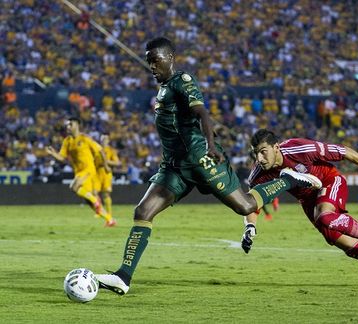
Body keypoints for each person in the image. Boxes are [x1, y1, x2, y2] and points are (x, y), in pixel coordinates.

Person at [95, 37, 322, 295]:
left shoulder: (183, 81)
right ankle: (123, 277)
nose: (151, 66)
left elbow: (202, 113)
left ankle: (289, 179)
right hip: (174, 165)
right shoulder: (164, 88)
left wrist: (211, 146)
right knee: (143, 212)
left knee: (245, 206)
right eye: (149, 61)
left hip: (201, 159)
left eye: (155, 60)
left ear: (170, 58)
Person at [241, 129, 358, 289]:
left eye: (263, 152)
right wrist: (250, 227)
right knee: (353, 250)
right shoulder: (258, 174)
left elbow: (343, 151)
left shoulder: (300, 148)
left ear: (276, 147)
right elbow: (252, 202)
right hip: (308, 201)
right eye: (255, 154)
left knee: (325, 217)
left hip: (330, 181)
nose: (259, 158)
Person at [46, 117, 117, 227]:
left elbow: (100, 150)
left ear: (77, 125)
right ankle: (109, 219)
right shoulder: (67, 141)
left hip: (89, 169)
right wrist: (53, 153)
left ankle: (96, 200)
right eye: (67, 125)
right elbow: (61, 157)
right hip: (78, 172)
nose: (68, 127)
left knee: (74, 187)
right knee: (89, 201)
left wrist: (106, 166)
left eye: (71, 124)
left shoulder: (85, 138)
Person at [96, 133, 121, 220]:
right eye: (102, 139)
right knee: (95, 193)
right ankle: (99, 212)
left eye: (105, 139)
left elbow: (117, 163)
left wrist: (106, 161)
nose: (103, 140)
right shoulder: (96, 149)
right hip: (97, 173)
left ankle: (109, 214)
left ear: (108, 140)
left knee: (105, 194)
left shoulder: (111, 150)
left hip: (106, 174)